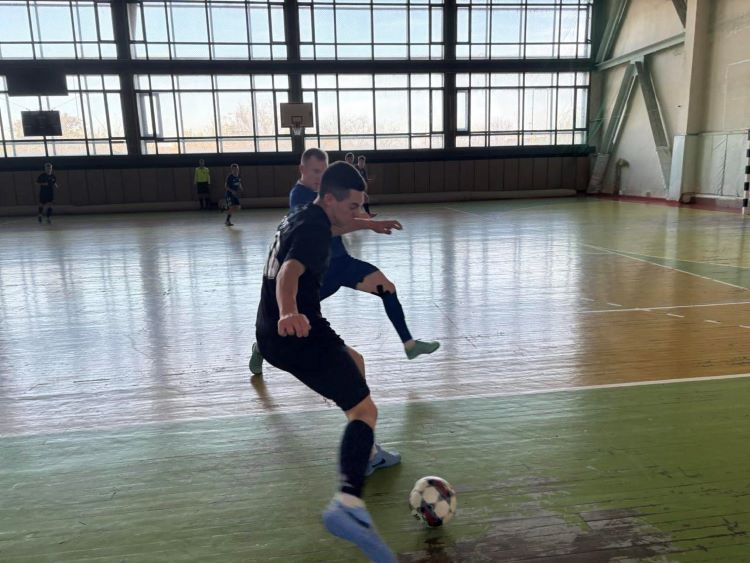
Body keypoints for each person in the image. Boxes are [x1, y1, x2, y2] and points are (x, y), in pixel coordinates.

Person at [255, 161, 397, 562]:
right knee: (365, 411)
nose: (357, 213)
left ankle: (366, 452)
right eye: (353, 207)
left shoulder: (305, 214)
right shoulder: (314, 231)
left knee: (355, 361)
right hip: (297, 334)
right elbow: (289, 272)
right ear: (331, 199)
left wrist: (370, 225)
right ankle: (348, 504)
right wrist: (289, 311)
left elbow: (337, 228)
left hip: (273, 331)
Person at [249, 148, 439, 376]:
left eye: (323, 172)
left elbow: (346, 216)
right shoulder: (299, 196)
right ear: (302, 169)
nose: (320, 177)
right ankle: (261, 347)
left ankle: (410, 345)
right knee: (293, 319)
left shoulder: (330, 193)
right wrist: (369, 224)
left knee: (387, 288)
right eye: (315, 171)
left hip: (342, 264)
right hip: (319, 274)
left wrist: (364, 217)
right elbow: (327, 230)